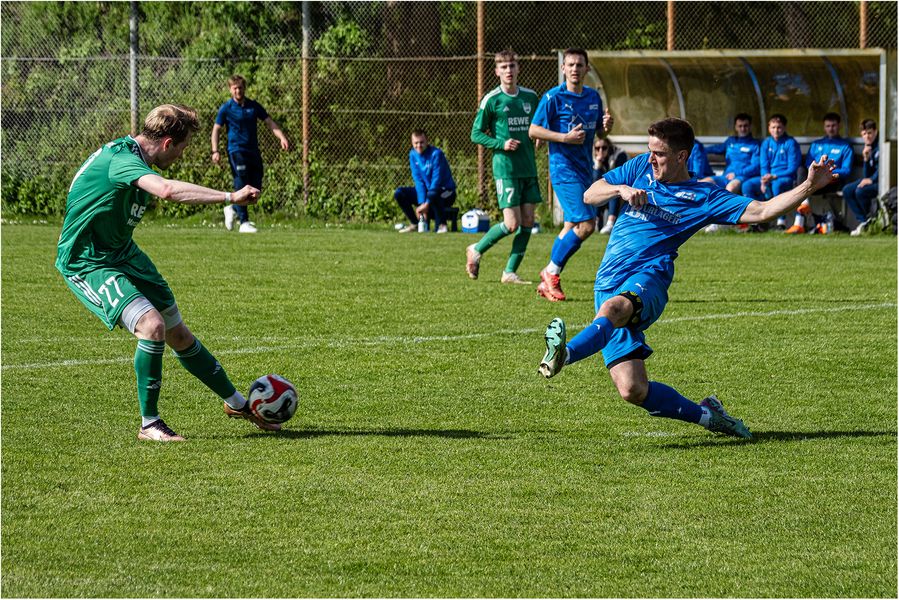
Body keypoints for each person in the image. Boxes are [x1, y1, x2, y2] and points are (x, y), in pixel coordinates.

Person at [537, 117, 837, 439]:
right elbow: (590, 196)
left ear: (682, 157)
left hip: (649, 277)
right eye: (650, 151)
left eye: (660, 154)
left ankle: (563, 355)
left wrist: (808, 187)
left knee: (614, 309)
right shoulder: (639, 168)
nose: (652, 159)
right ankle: (710, 415)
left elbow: (762, 211)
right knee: (633, 389)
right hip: (607, 281)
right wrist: (619, 189)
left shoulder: (704, 196)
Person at [56, 104, 280, 442]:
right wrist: (232, 196)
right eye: (183, 146)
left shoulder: (134, 156)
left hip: (123, 252)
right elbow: (167, 190)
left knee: (178, 334)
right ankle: (150, 424)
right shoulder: (123, 159)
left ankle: (237, 404)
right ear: (167, 144)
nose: (182, 154)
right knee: (152, 326)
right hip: (89, 260)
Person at [529, 48, 614, 301]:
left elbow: (600, 133)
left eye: (580, 65)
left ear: (587, 69)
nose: (575, 69)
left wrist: (607, 128)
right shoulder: (553, 98)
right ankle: (551, 274)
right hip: (563, 170)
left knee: (570, 225)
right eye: (571, 65)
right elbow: (534, 130)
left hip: (585, 169)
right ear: (563, 69)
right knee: (588, 224)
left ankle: (548, 277)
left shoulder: (592, 97)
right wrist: (563, 137)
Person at [466, 49, 541, 284]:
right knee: (512, 223)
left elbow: (539, 123)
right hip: (505, 170)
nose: (508, 70)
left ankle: (509, 272)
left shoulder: (530, 97)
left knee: (528, 221)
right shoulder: (492, 99)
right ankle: (476, 249)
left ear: (518, 68)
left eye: (512, 66)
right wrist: (501, 143)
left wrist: (539, 135)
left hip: (528, 167)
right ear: (497, 71)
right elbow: (476, 134)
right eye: (504, 67)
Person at [211, 74, 290, 234]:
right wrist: (215, 150)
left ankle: (233, 207)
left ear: (244, 88)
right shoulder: (226, 108)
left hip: (253, 151)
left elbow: (269, 122)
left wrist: (282, 137)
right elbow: (216, 130)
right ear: (230, 90)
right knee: (241, 182)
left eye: (240, 88)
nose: (238, 91)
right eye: (235, 88)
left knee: (256, 186)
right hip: (236, 150)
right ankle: (244, 222)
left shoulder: (253, 106)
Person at [789, 112, 854, 234]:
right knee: (801, 171)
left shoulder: (846, 146)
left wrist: (827, 171)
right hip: (814, 181)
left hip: (832, 181)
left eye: (833, 125)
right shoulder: (816, 144)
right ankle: (805, 206)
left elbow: (846, 170)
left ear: (839, 126)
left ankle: (800, 223)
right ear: (824, 127)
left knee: (798, 188)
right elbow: (809, 164)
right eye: (828, 126)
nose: (831, 128)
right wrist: (819, 171)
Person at [742, 114, 802, 230]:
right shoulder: (766, 143)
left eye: (779, 127)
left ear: (784, 128)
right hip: (768, 177)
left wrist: (774, 176)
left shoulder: (791, 143)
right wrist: (764, 179)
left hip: (785, 177)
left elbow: (793, 168)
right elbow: (763, 165)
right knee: (747, 185)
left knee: (777, 184)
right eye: (773, 127)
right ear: (769, 128)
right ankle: (753, 221)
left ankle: (781, 221)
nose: (776, 130)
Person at [701, 113, 760, 232]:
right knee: (704, 183)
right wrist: (698, 148)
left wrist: (738, 172)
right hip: (725, 176)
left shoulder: (755, 144)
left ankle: (722, 223)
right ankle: (701, 219)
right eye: (740, 126)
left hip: (742, 177)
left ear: (750, 127)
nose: (743, 128)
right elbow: (716, 149)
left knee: (731, 187)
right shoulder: (730, 141)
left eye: (746, 126)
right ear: (736, 127)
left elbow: (756, 166)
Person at [394, 129, 457, 234]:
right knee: (400, 193)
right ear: (412, 143)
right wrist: (421, 202)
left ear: (427, 141)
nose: (419, 145)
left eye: (421, 142)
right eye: (416, 143)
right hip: (429, 192)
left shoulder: (437, 154)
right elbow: (418, 181)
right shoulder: (413, 155)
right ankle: (415, 223)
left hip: (446, 191)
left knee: (434, 194)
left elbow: (436, 181)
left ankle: (442, 225)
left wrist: (426, 204)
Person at [845, 119, 880, 236]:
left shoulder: (880, 146)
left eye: (870, 133)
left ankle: (872, 220)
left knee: (860, 191)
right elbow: (866, 175)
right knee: (847, 190)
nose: (867, 136)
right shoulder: (868, 147)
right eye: (864, 134)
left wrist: (871, 179)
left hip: (881, 181)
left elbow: (883, 169)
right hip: (872, 179)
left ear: (875, 131)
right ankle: (864, 221)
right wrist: (865, 159)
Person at [593, 135, 628, 234]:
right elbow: (595, 181)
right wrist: (598, 165)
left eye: (604, 148)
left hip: (623, 187)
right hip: (603, 189)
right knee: (597, 191)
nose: (600, 151)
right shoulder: (593, 157)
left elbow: (618, 178)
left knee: (614, 188)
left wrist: (611, 165)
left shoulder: (619, 155)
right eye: (597, 148)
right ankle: (595, 222)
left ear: (609, 147)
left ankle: (610, 223)